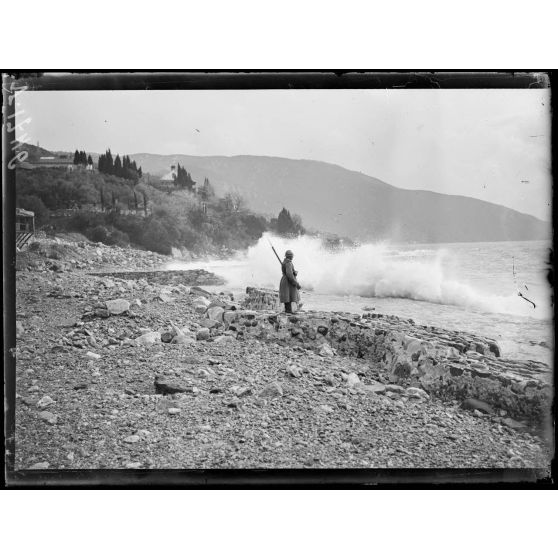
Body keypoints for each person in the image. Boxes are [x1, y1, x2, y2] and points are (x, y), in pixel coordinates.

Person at [279, 249, 301, 313]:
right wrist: (296, 284)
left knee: (288, 297)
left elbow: (289, 272)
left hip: (286, 280)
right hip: (287, 282)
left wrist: (294, 272)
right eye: (292, 256)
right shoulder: (288, 263)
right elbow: (289, 275)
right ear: (290, 256)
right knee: (288, 297)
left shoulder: (285, 262)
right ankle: (288, 311)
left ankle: (288, 311)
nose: (293, 257)